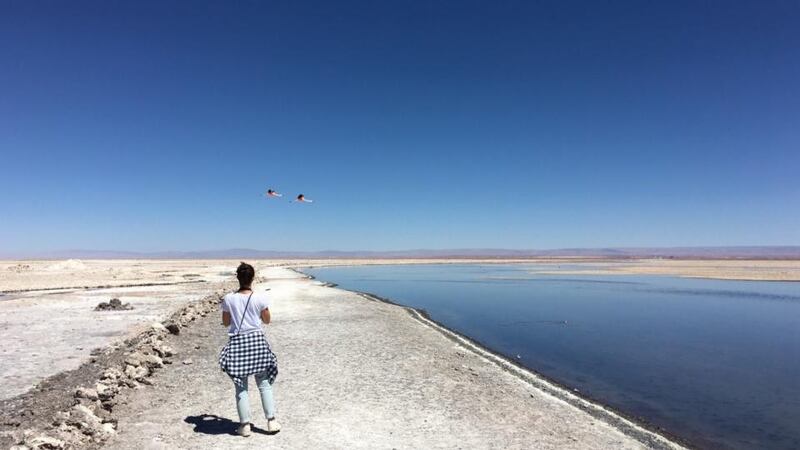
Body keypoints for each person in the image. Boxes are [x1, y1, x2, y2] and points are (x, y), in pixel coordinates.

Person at [219, 262, 280, 437]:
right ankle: (271, 421)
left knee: (241, 386)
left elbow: (225, 323)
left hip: (238, 344)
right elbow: (267, 320)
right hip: (257, 343)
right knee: (264, 384)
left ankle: (245, 426)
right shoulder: (260, 298)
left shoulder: (229, 299)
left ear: (237, 278)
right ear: (252, 278)